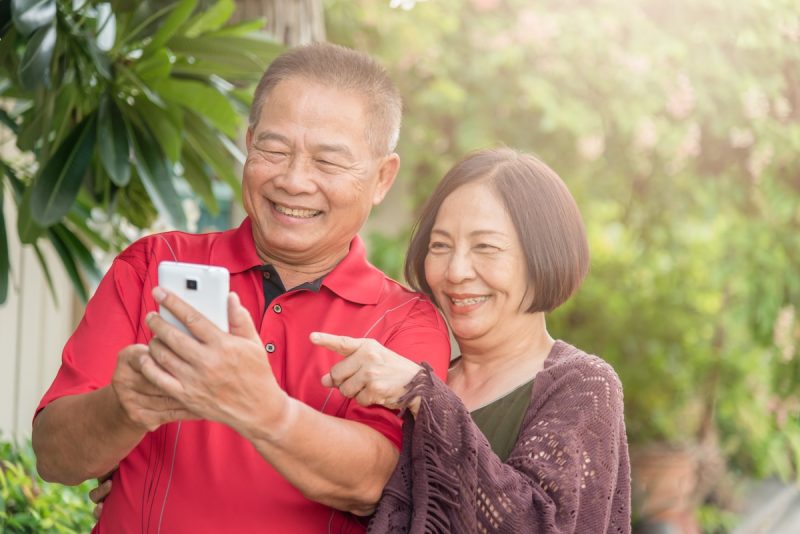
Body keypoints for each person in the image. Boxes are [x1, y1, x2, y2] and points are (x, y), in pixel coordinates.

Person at [31, 43, 451, 533]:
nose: (294, 181)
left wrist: (261, 406)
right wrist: (125, 407)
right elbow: (52, 457)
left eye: (328, 162)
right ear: (248, 144)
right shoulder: (153, 264)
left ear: (382, 178)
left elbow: (375, 485)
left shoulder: (406, 323)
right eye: (274, 149)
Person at [311, 148, 631, 532]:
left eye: (486, 247)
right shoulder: (419, 379)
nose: (456, 271)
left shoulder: (584, 385)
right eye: (441, 246)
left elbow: (531, 523)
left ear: (543, 255)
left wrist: (424, 397)